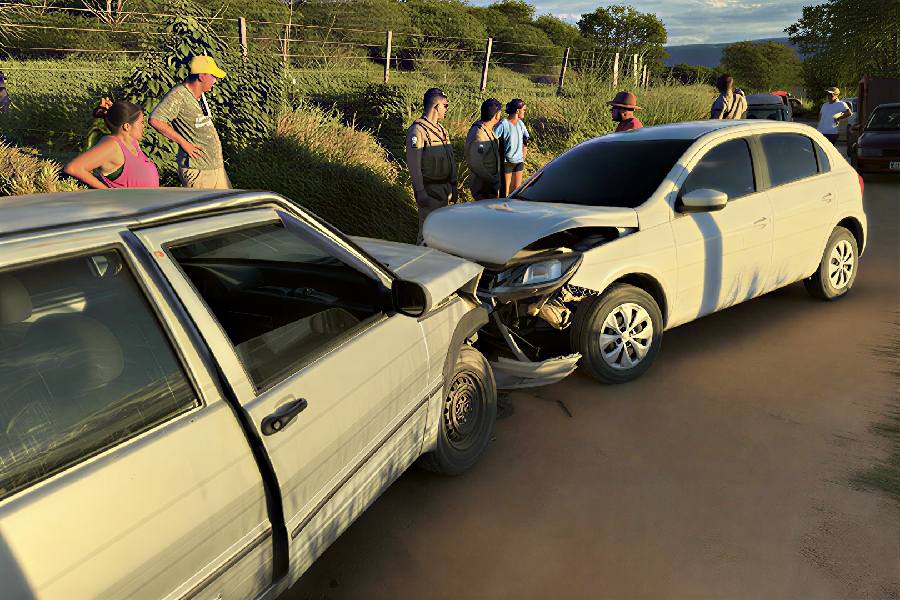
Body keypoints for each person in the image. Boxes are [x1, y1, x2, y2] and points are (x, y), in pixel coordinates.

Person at [149, 55, 230, 189]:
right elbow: (156, 120)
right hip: (198, 171)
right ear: (202, 76)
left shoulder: (198, 96)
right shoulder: (179, 95)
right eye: (213, 76)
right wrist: (184, 143)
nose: (215, 80)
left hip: (213, 168)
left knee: (226, 208)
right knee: (205, 210)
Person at [64, 98, 159, 189]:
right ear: (127, 126)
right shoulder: (112, 145)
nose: (144, 126)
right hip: (127, 204)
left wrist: (112, 113)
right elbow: (74, 168)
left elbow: (118, 121)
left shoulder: (132, 142)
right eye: (141, 122)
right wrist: (108, 192)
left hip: (147, 203)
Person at [406, 87, 457, 244]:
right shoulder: (418, 131)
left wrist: (454, 185)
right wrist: (420, 190)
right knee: (427, 233)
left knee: (441, 233)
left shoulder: (442, 131)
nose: (447, 109)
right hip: (429, 189)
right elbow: (414, 164)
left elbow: (451, 159)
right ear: (436, 106)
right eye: (445, 105)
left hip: (444, 189)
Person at [465, 98, 502, 200]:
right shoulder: (479, 134)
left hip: (489, 186)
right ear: (497, 115)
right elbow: (476, 163)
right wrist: (491, 179)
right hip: (483, 187)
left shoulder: (487, 130)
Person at [495, 98, 530, 197]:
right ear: (517, 111)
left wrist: (523, 156)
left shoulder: (520, 123)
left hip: (519, 161)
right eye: (524, 110)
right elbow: (493, 138)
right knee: (505, 191)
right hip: (507, 162)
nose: (524, 112)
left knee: (516, 190)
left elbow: (525, 140)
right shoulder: (503, 124)